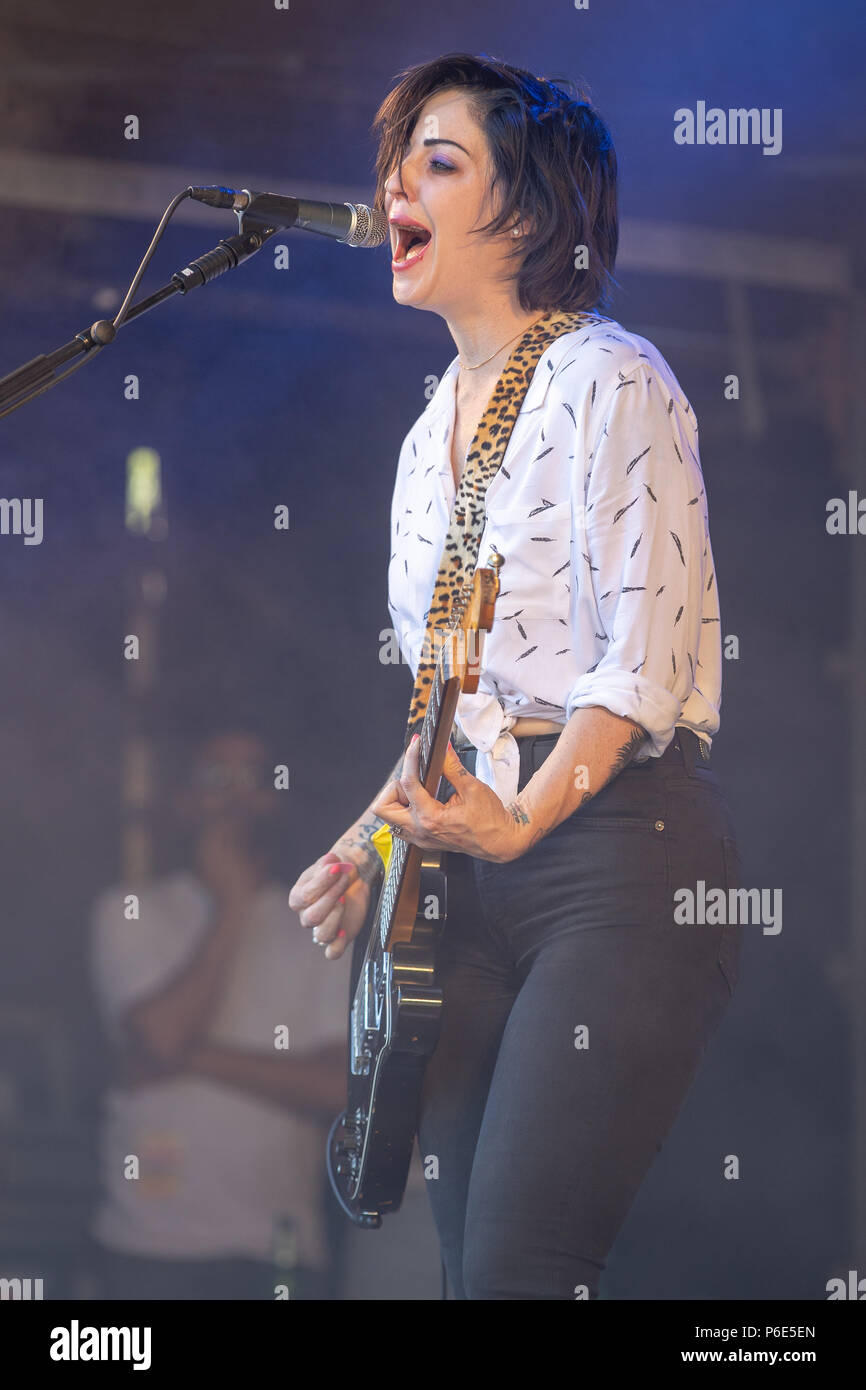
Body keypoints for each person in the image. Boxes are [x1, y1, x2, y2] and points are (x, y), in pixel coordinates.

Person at [289, 53, 742, 1301]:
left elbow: (640, 666)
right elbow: (454, 706)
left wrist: (524, 819)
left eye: (437, 162)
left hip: (613, 855)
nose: (394, 188)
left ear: (531, 214)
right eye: (394, 164)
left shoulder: (612, 376)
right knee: (458, 1271)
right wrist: (363, 844)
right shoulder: (423, 433)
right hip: (466, 874)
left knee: (520, 1269)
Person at [89, 728, 350, 1300]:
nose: (234, 796)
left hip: (280, 1251)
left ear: (275, 799)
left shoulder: (318, 923)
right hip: (147, 1246)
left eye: (252, 780)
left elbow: (339, 1087)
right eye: (215, 779)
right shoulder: (128, 913)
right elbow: (162, 1034)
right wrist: (232, 906)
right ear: (182, 799)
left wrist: (182, 1056)